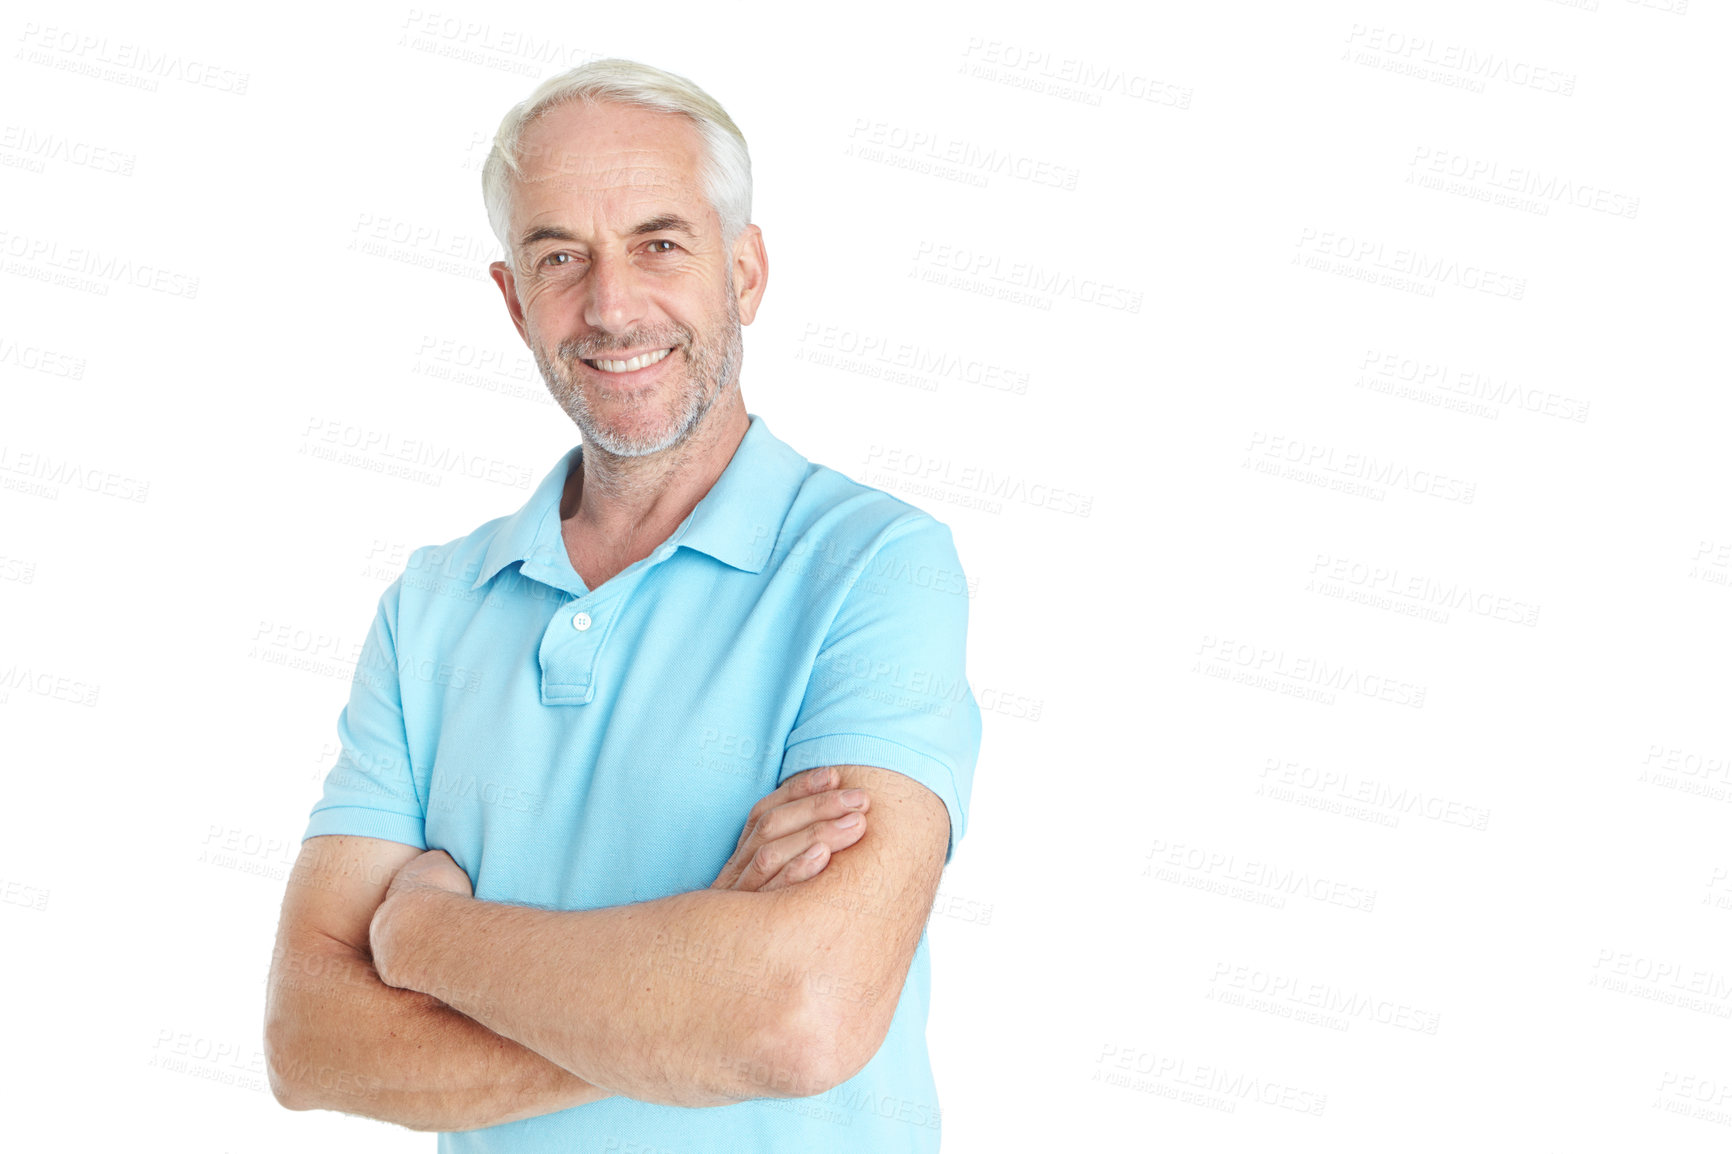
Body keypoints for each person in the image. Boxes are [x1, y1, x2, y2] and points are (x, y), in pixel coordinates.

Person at [264, 58, 982, 1153]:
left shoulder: (875, 566)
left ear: (744, 271)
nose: (610, 305)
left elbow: (801, 1015)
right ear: (513, 301)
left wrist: (424, 934)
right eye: (560, 257)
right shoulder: (432, 606)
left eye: (659, 242)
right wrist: (690, 1001)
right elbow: (308, 1038)